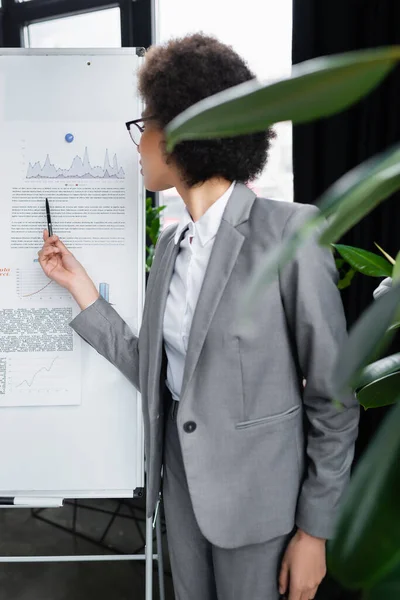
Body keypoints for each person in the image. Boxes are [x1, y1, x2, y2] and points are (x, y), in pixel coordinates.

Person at [38, 33, 360, 600]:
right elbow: (154, 370)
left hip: (262, 509)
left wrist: (315, 530)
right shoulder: (170, 245)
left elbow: (332, 397)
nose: (137, 146)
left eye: (144, 127)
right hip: (181, 496)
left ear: (183, 131)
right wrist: (80, 288)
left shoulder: (289, 232)